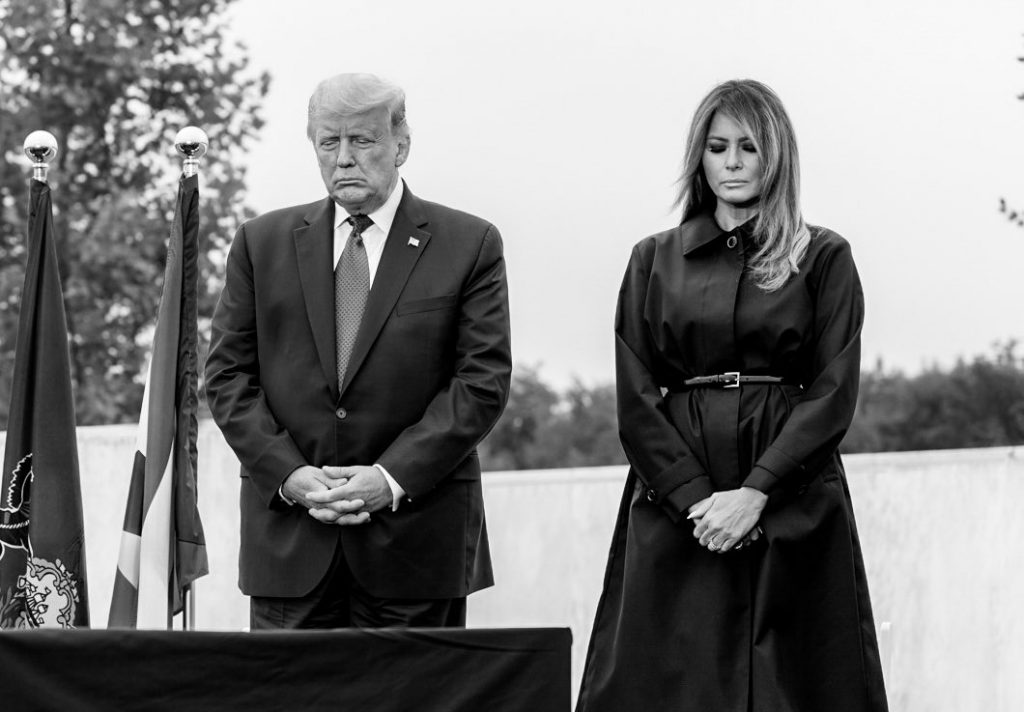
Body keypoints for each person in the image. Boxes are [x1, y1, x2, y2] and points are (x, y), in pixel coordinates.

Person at [576, 79, 888, 711]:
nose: (733, 162)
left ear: (776, 154)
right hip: (675, 502)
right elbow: (635, 398)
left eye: (749, 146)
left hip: (793, 496)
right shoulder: (652, 260)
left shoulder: (823, 256)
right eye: (718, 148)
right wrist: (699, 503)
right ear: (700, 158)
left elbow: (832, 391)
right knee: (668, 680)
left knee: (798, 683)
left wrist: (755, 493)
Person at [205, 73, 511, 629]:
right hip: (291, 548)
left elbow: (481, 383)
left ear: (401, 144)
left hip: (416, 548)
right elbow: (227, 377)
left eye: (362, 141)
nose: (343, 158)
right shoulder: (259, 243)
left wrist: (389, 478)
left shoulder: (470, 244)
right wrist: (289, 474)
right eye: (329, 142)